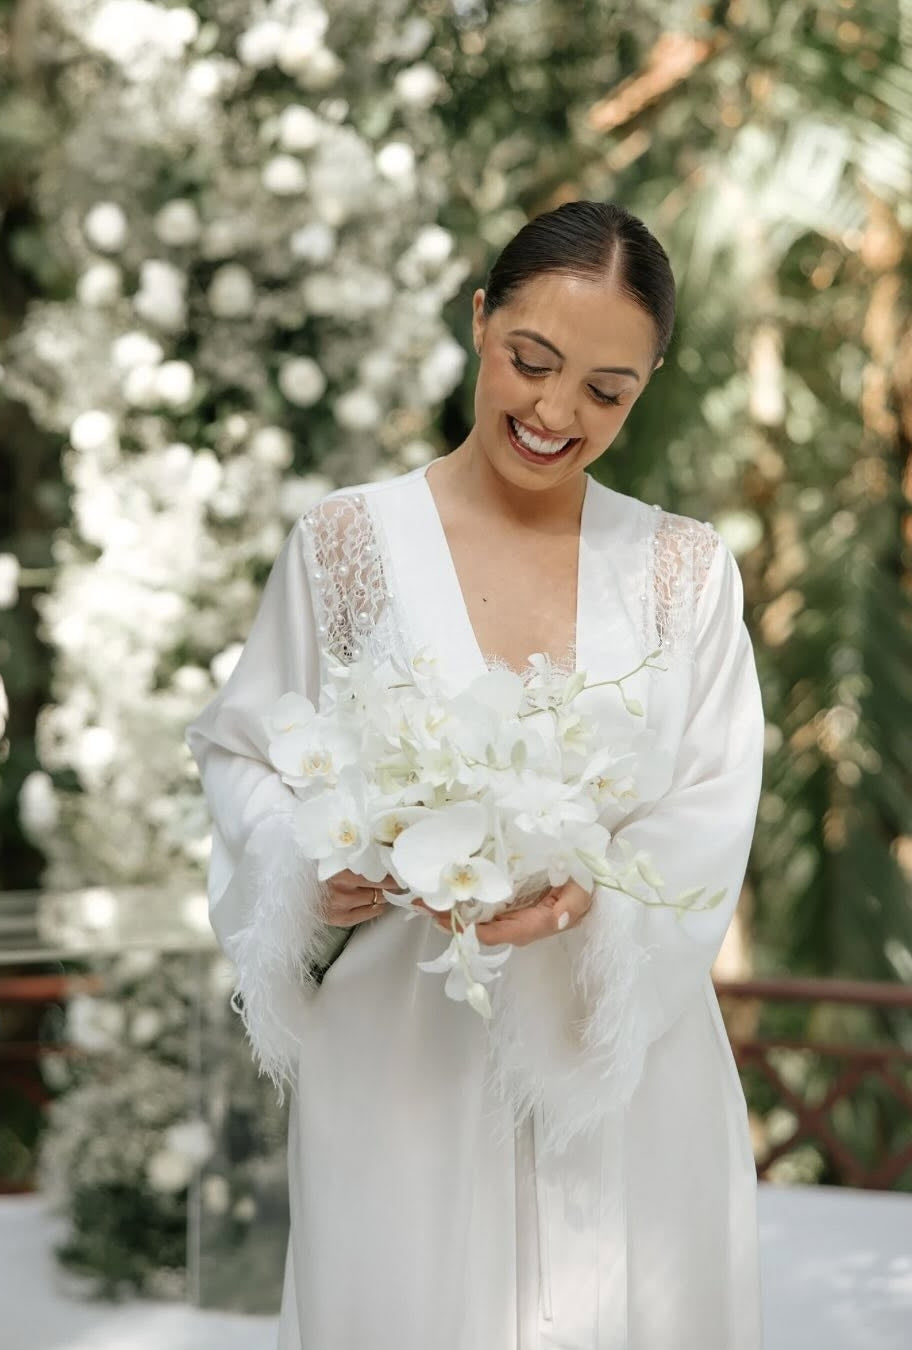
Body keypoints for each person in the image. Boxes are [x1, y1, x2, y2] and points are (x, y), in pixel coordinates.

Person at [185, 200, 764, 1350]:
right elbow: (245, 753)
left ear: (648, 382)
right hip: (400, 1056)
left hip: (625, 1069)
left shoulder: (685, 573)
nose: (554, 413)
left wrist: (599, 896)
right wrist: (312, 864)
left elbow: (711, 799)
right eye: (529, 361)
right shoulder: (347, 546)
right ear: (480, 318)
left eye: (606, 390)